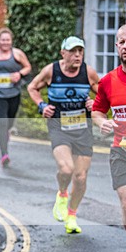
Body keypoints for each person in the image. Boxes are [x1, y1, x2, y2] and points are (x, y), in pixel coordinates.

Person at [27, 36, 100, 234]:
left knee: (81, 177)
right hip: (59, 126)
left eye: (80, 51)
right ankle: (62, 194)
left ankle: (72, 215)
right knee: (66, 169)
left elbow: (103, 93)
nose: (77, 55)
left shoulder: (88, 72)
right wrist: (41, 105)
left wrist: (96, 103)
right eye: (73, 51)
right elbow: (32, 87)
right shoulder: (51, 71)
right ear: (63, 53)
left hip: (82, 129)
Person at [92, 23, 126, 252]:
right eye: (121, 42)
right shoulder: (108, 81)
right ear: (116, 47)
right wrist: (103, 122)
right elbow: (98, 110)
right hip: (123, 152)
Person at [0, 28, 33, 167]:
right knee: (2, 123)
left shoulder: (17, 54)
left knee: (9, 123)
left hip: (13, 94)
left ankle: (6, 132)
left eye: (8, 40)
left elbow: (28, 67)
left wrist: (19, 74)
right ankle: (4, 154)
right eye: (3, 40)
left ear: (11, 41)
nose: (5, 43)